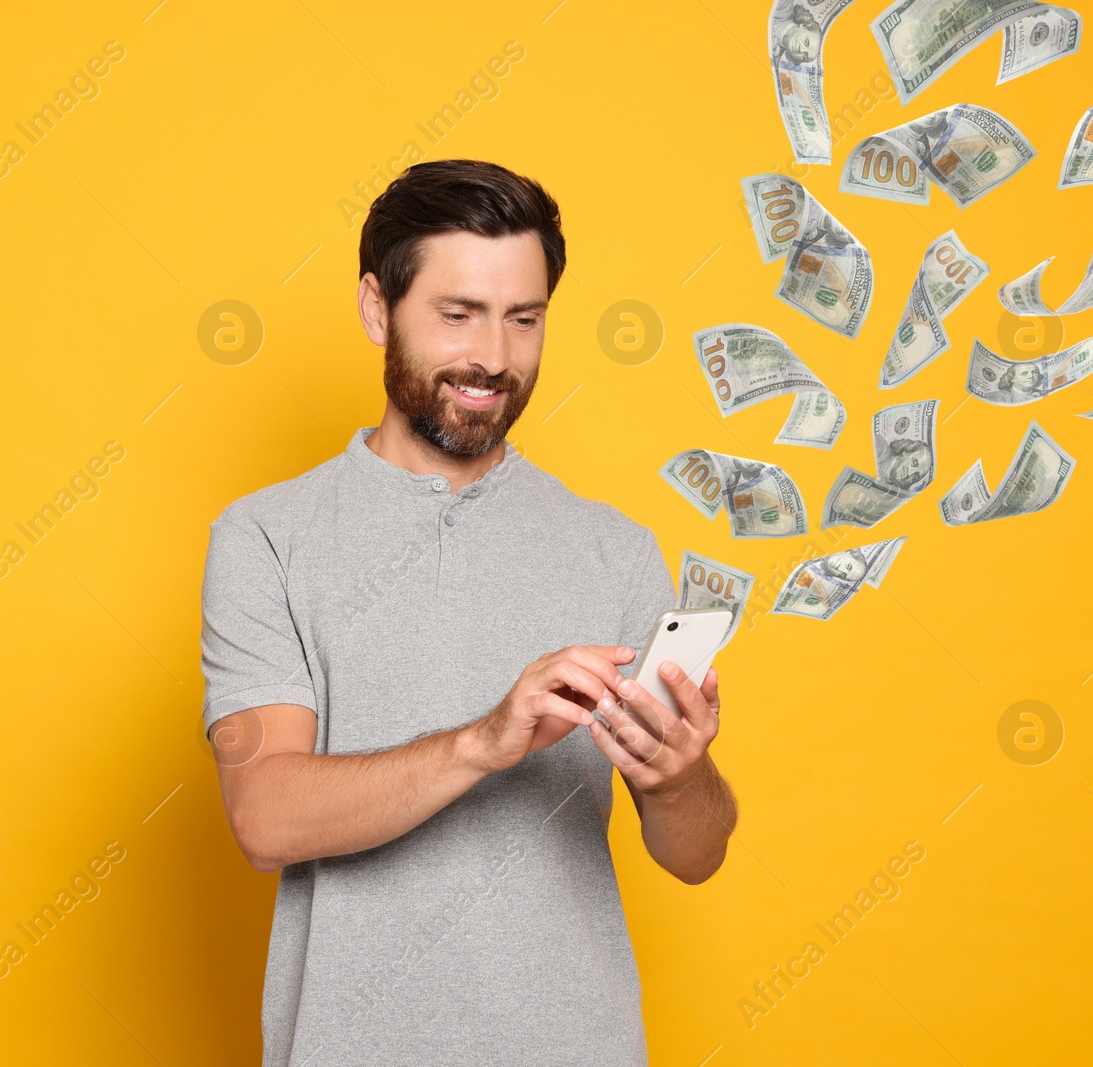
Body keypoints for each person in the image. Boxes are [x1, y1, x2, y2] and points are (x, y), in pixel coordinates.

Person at [199, 159, 737, 1066]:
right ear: (378, 309)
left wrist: (682, 778)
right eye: (459, 315)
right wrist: (485, 741)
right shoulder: (267, 537)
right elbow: (266, 815)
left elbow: (696, 855)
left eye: (523, 319)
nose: (495, 355)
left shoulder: (615, 548)